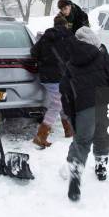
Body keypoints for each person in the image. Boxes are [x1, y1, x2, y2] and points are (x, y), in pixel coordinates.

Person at [60, 26, 109, 202]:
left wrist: (70, 114)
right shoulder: (102, 54)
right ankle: (101, 167)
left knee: (81, 141)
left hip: (84, 106)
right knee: (103, 134)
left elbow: (65, 90)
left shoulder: (71, 61)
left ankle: (75, 169)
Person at [30, 15, 75, 148]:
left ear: (54, 24)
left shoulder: (46, 37)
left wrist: (45, 59)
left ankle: (69, 130)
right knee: (57, 104)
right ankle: (41, 136)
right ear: (66, 25)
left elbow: (34, 52)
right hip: (61, 75)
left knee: (62, 101)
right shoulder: (69, 37)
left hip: (46, 77)